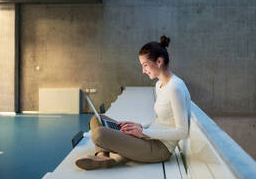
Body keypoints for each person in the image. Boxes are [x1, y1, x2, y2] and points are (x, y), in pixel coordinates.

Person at [75, 36, 191, 170]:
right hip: (149, 137)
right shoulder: (160, 84)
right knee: (97, 119)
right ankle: (103, 156)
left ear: (159, 61)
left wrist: (144, 133)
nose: (143, 71)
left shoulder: (175, 88)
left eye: (145, 65)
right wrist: (139, 126)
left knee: (99, 134)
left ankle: (107, 154)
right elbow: (161, 120)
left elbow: (182, 132)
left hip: (160, 149)